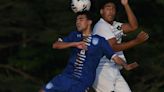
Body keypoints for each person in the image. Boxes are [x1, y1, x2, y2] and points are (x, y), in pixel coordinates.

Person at [41, 11, 138, 92]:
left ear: (89, 22)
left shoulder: (100, 41)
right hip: (66, 77)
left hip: (82, 82)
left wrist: (125, 65)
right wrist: (74, 44)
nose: (77, 22)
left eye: (81, 19)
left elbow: (115, 57)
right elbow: (56, 45)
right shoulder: (74, 35)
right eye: (76, 20)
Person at [92, 0, 149, 92]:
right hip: (101, 70)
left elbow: (133, 26)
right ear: (101, 11)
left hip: (114, 68)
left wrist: (126, 5)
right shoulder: (101, 26)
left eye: (113, 9)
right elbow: (113, 46)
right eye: (108, 8)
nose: (111, 11)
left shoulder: (115, 25)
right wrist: (136, 41)